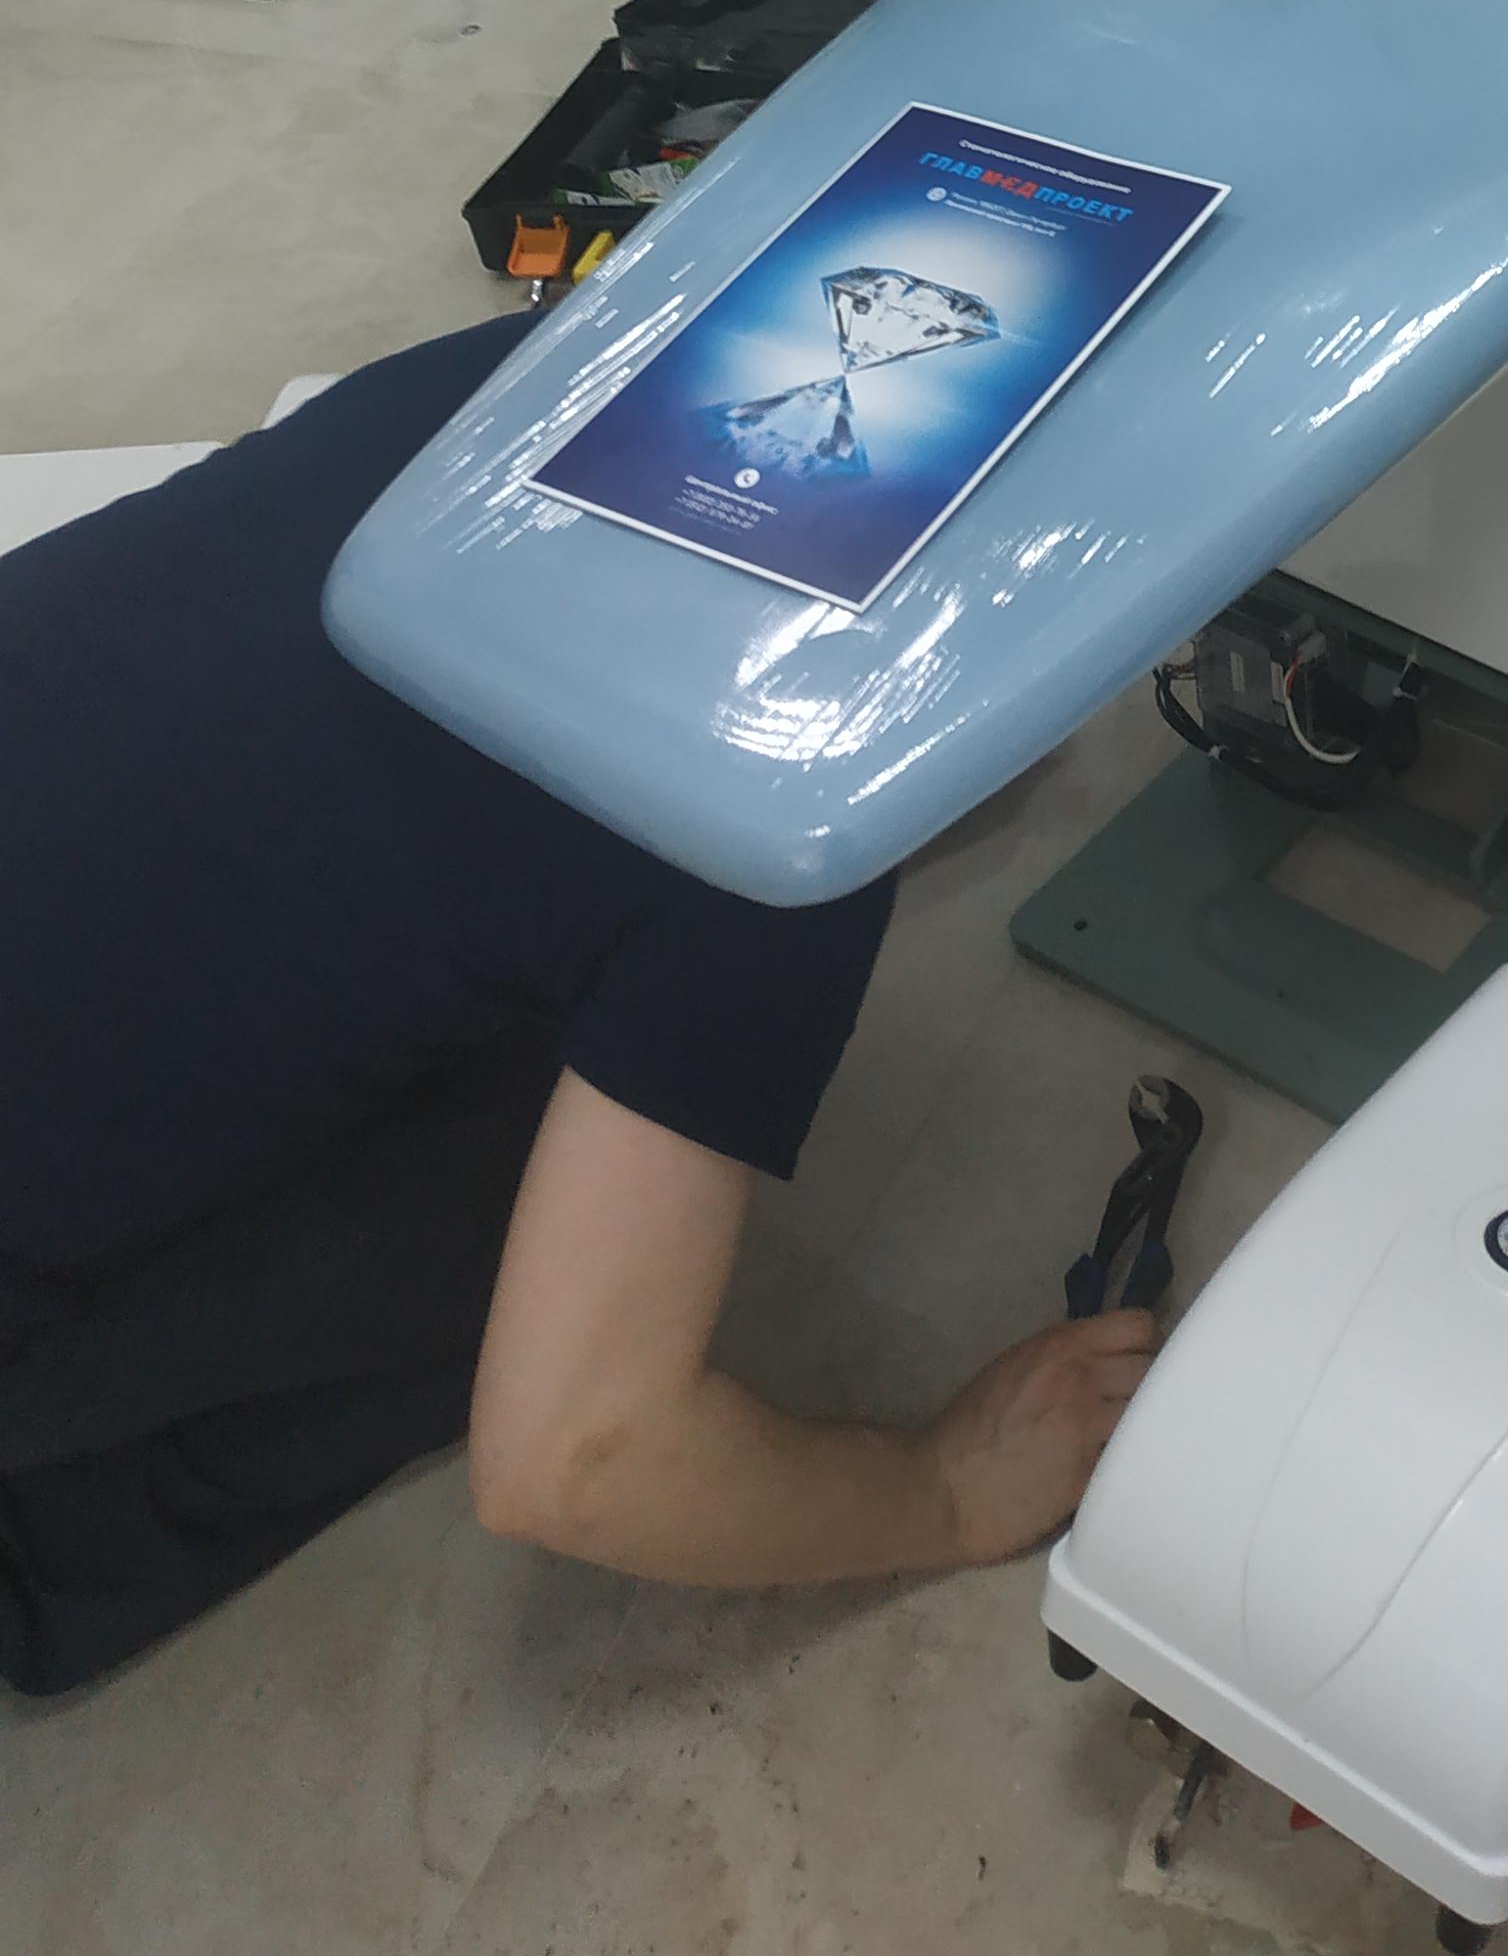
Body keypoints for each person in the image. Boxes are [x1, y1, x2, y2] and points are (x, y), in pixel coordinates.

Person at [0, 321, 1154, 1696]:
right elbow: (579, 1459)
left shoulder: (554, 354)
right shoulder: (769, 788)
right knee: (544, 1264)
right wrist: (947, 1494)